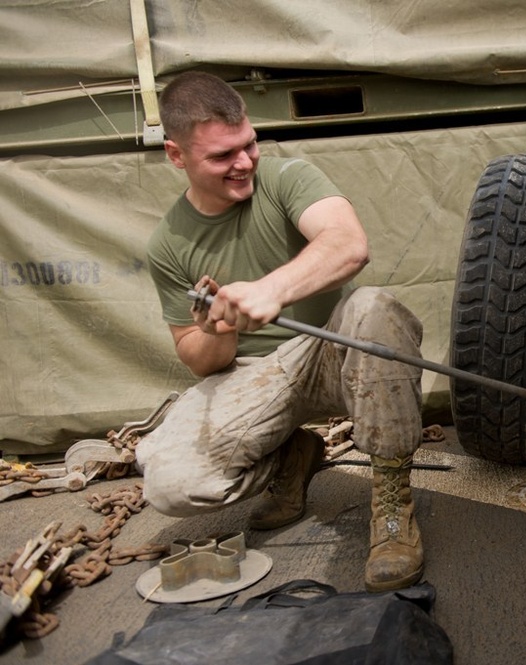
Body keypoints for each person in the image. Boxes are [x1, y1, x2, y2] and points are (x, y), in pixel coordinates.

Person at [135, 71, 426, 593]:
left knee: (375, 307)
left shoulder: (289, 177)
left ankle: (390, 504)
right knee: (170, 483)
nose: (244, 162)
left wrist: (272, 289)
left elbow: (347, 243)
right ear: (177, 156)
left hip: (332, 353)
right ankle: (292, 457)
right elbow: (199, 360)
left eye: (248, 144)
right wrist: (219, 327)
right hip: (255, 376)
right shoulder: (168, 244)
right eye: (222, 156)